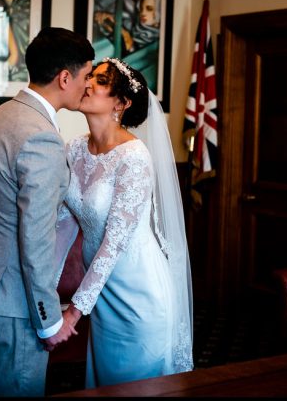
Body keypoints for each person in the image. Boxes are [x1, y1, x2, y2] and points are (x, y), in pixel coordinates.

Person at [0, 27, 94, 396]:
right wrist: (49, 321)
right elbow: (35, 239)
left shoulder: (2, 115)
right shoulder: (41, 137)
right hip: (12, 303)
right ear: (65, 77)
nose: (88, 85)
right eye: (86, 75)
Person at [53, 57, 194, 388]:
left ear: (122, 102)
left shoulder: (134, 157)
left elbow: (114, 242)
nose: (87, 84)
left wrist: (73, 312)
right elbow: (64, 224)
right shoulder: (75, 149)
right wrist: (43, 289)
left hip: (139, 293)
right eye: (90, 77)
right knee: (105, 382)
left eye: (100, 81)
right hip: (102, 292)